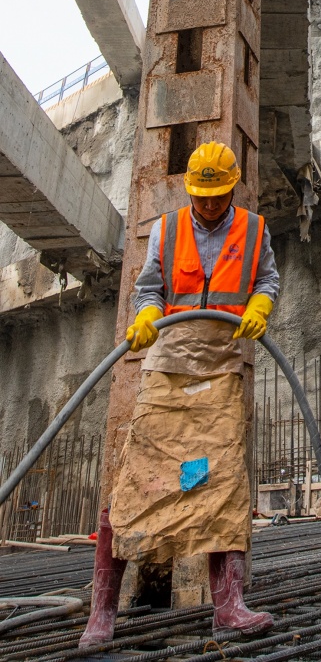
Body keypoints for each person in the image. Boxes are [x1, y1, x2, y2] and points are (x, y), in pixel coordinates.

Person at [80, 142, 280, 649]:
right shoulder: (167, 230)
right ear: (190, 190)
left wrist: (260, 303)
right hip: (169, 365)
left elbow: (268, 279)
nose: (209, 206)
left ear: (232, 188)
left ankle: (229, 605)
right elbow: (149, 288)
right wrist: (147, 312)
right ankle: (101, 611)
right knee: (136, 481)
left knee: (223, 482)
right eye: (201, 197)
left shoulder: (254, 230)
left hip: (222, 364)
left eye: (217, 197)